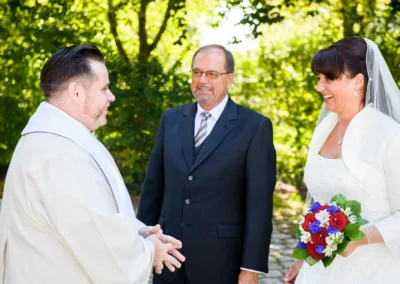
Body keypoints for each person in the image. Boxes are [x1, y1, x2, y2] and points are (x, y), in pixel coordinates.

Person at [0, 44, 185, 284]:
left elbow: (86, 220)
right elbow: (94, 238)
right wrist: (148, 251)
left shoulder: (56, 141)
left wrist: (136, 233)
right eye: (105, 88)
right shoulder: (59, 154)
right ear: (76, 92)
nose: (112, 96)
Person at [137, 44, 276, 284]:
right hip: (168, 258)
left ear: (230, 79)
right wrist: (139, 243)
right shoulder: (170, 119)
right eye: (196, 72)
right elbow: (153, 188)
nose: (202, 80)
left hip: (221, 263)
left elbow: (259, 205)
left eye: (212, 74)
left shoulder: (254, 127)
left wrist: (251, 267)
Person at [284, 37, 400, 284]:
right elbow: (318, 202)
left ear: (358, 81)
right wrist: (306, 257)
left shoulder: (390, 136)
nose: (319, 87)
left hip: (374, 271)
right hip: (320, 272)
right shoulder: (324, 129)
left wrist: (360, 238)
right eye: (318, 78)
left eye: (329, 79)